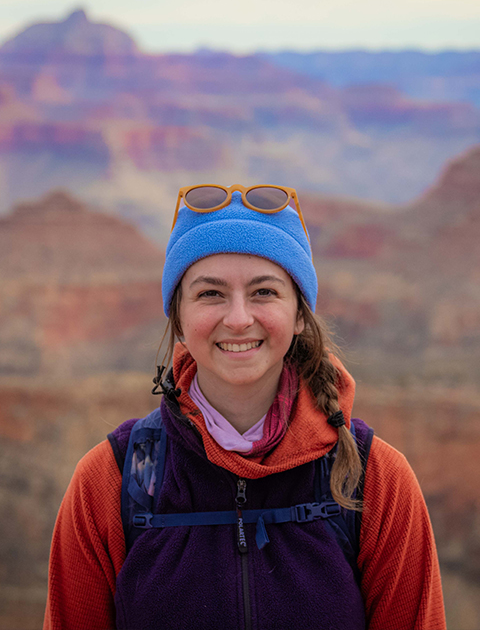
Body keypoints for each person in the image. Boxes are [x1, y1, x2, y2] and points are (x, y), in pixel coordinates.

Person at [44, 184, 446, 630]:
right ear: (179, 318)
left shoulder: (376, 481)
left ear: (299, 315)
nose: (238, 319)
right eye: (210, 294)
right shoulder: (110, 482)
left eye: (264, 292)